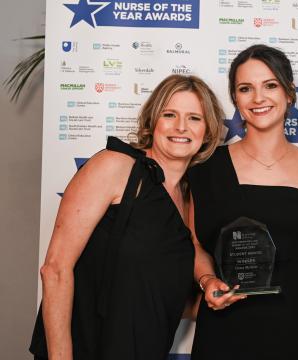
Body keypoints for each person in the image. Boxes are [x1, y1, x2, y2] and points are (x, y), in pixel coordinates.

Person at [29, 74, 224, 360]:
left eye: (194, 118)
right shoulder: (115, 166)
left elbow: (190, 249)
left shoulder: (187, 192)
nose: (181, 127)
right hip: (86, 350)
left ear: (207, 131)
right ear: (153, 120)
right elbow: (55, 270)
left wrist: (208, 281)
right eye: (169, 114)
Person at [188, 44, 298, 360]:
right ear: (236, 100)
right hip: (224, 325)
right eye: (245, 89)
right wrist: (207, 279)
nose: (258, 98)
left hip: (291, 325)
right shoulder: (207, 166)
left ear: (289, 93)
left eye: (270, 85)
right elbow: (195, 244)